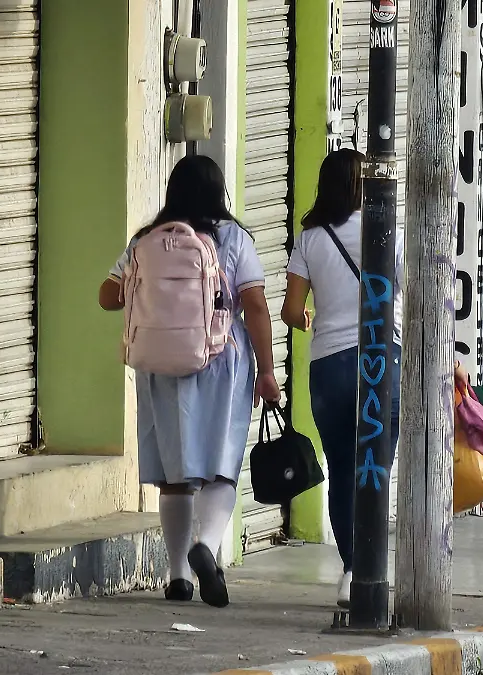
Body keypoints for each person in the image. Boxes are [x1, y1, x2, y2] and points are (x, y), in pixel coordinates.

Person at [99, 155, 282, 608]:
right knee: (221, 462)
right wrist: (268, 370)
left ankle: (178, 575)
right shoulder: (233, 237)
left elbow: (107, 296)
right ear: (219, 192)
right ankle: (209, 543)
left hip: (159, 364)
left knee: (174, 471)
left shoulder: (147, 239)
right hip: (221, 360)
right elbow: (255, 305)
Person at [281, 148, 404, 607]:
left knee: (341, 469)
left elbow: (292, 310)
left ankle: (353, 571)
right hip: (380, 360)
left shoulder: (311, 239)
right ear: (363, 185)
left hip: (330, 365)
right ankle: (376, 571)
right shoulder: (387, 230)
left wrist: (310, 317)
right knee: (374, 469)